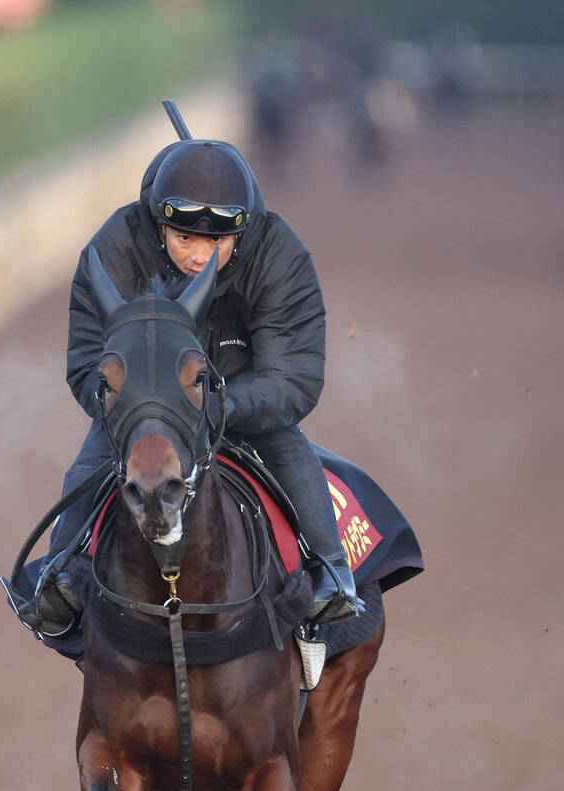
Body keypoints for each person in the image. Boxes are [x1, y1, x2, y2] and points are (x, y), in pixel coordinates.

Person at [33, 129, 360, 635]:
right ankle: (59, 578)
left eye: (216, 241)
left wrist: (214, 404)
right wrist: (145, 407)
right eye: (185, 238)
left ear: (241, 234)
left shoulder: (280, 256)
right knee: (89, 465)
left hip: (244, 407)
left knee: (290, 447)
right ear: (159, 223)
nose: (199, 256)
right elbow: (87, 364)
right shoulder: (115, 248)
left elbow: (292, 378)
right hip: (147, 410)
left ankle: (333, 574)